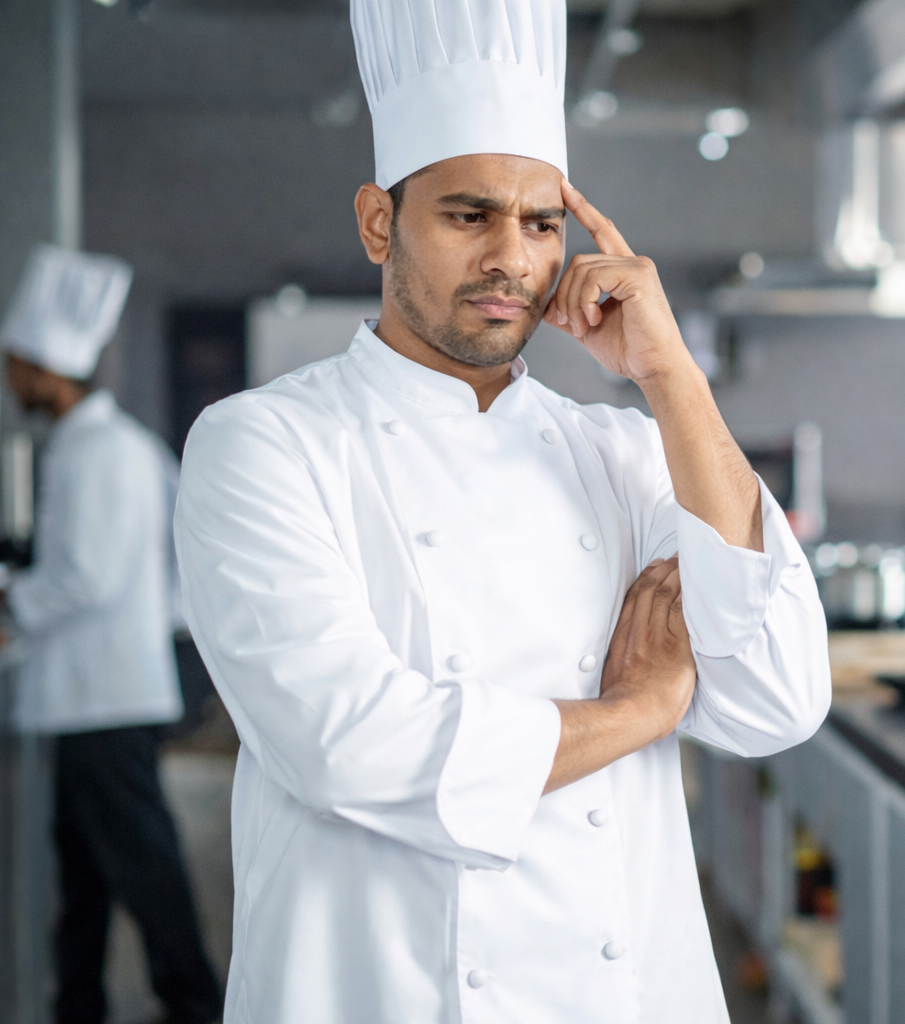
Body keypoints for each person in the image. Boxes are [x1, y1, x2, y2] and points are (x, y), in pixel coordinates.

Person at [172, 0, 832, 1020]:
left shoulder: (618, 450)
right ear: (379, 221)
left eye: (541, 223)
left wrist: (670, 376)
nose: (512, 259)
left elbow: (778, 695)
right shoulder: (264, 444)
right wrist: (641, 712)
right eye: (468, 214)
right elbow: (353, 742)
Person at [0, 244, 221, 1024]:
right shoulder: (92, 445)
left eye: (14, 365)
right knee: (89, 875)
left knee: (141, 866)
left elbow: (83, 577)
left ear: (44, 371)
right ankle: (81, 1005)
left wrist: (11, 604)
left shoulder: (98, 454)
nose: (10, 380)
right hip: (90, 695)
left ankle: (195, 1004)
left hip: (104, 696)